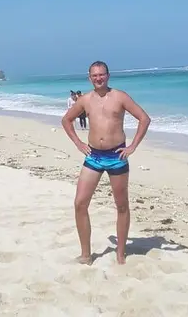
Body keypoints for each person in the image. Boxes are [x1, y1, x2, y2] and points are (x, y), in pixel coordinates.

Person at [62, 61, 151, 265]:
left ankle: (120, 254)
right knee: (80, 203)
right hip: (93, 156)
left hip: (116, 156)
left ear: (108, 76)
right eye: (94, 75)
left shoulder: (120, 97)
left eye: (101, 75)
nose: (98, 78)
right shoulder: (85, 100)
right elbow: (66, 120)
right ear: (89, 78)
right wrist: (78, 143)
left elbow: (144, 119)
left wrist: (132, 146)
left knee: (122, 206)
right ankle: (86, 255)